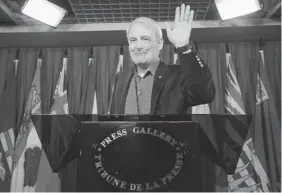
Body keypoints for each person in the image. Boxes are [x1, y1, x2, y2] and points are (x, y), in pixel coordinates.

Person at [110, 4, 215, 115]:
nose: (138, 46)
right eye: (133, 40)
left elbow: (204, 95)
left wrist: (183, 45)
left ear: (159, 44)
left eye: (145, 39)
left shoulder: (178, 76)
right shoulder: (121, 78)